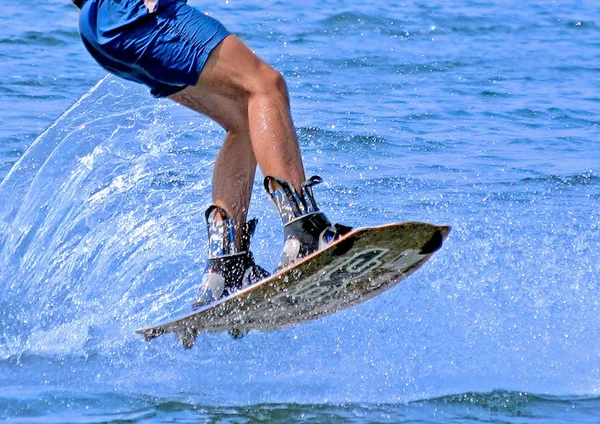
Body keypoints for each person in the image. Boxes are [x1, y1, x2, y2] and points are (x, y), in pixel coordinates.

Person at [73, 0, 350, 308]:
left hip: (100, 30)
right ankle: (306, 232)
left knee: (246, 120)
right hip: (135, 13)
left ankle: (227, 268)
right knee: (265, 85)